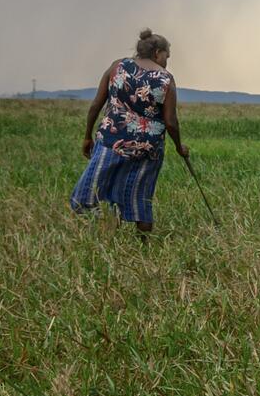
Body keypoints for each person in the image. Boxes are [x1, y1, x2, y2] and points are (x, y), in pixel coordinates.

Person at [70, 28, 187, 239]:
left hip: (111, 140)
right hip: (148, 147)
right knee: (141, 194)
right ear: (157, 53)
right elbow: (170, 122)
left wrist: (87, 136)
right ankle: (143, 242)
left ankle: (96, 231)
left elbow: (96, 105)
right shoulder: (165, 79)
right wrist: (180, 147)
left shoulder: (117, 67)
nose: (166, 61)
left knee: (94, 185)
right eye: (166, 56)